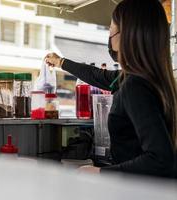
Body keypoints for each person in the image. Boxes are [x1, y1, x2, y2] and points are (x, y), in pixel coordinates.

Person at [45, 0, 177, 178]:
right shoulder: (151, 80)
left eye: (111, 27)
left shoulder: (135, 86)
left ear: (126, 34)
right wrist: (61, 62)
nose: (109, 33)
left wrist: (100, 172)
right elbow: (97, 75)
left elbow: (161, 159)